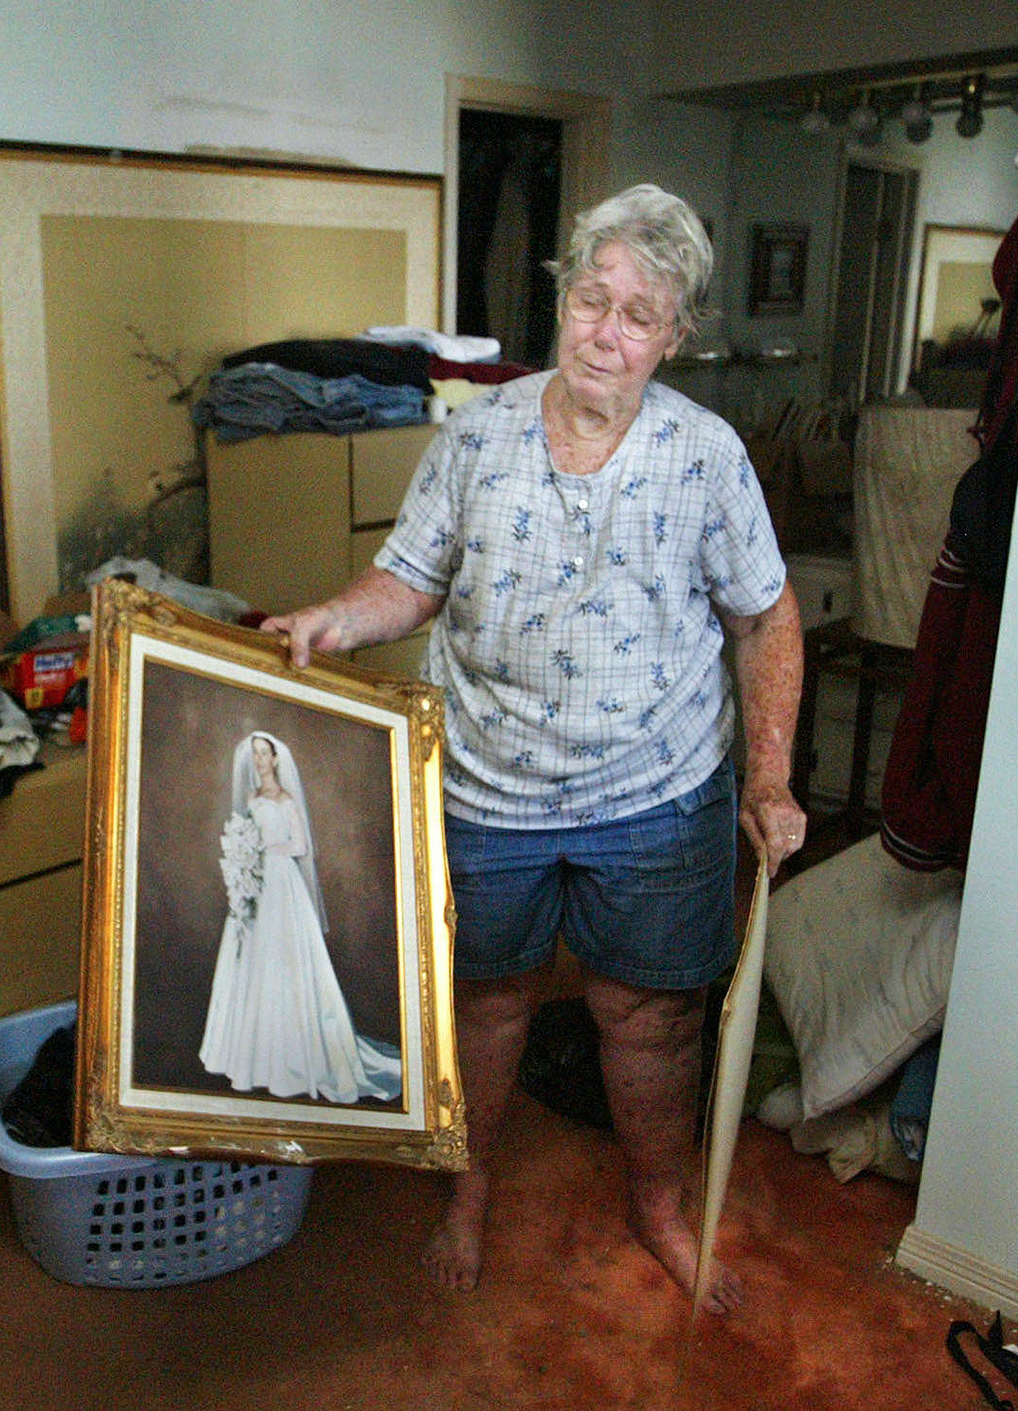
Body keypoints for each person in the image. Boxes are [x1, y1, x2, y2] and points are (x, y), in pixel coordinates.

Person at [264, 184, 806, 1312]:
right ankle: (466, 1197)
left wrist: (768, 774)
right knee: (483, 1005)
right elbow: (411, 577)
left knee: (649, 1018)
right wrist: (335, 618)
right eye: (590, 300)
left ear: (675, 335)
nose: (605, 333)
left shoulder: (705, 456)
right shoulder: (478, 434)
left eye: (638, 315)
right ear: (562, 299)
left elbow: (764, 617)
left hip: (656, 790)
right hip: (487, 784)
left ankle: (658, 1207)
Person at [199, 731, 403, 1104]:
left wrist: (267, 848)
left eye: (265, 753)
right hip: (257, 883)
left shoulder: (286, 800)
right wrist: (246, 856)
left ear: (276, 759)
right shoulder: (250, 798)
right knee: (252, 957)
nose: (259, 760)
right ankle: (252, 1057)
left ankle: (292, 1059)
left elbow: (301, 845)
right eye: (255, 754)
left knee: (285, 960)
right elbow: (244, 834)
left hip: (282, 882)